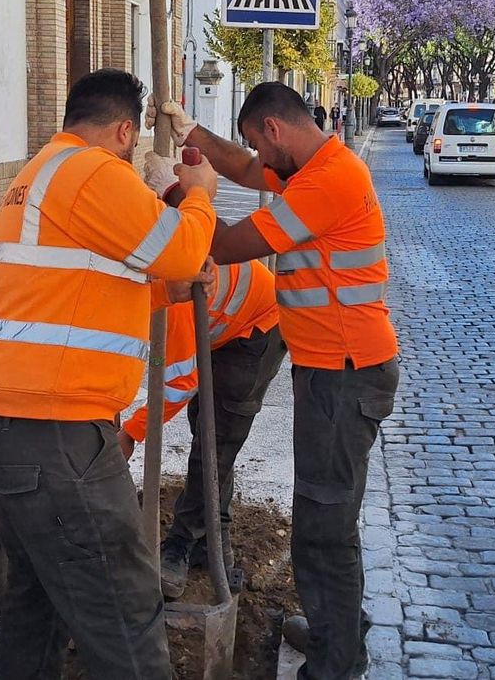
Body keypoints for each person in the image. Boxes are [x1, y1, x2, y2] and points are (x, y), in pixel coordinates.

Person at [0, 68, 218, 679]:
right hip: (56, 430)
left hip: (9, 421)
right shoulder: (94, 171)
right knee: (124, 608)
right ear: (125, 131)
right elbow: (182, 247)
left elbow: (79, 286)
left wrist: (166, 295)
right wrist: (202, 190)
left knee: (38, 597)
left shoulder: (42, 173)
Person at [149, 82, 398, 680]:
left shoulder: (327, 183)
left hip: (344, 377)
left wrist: (180, 194)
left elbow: (231, 244)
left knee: (323, 523)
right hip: (335, 372)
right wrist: (192, 135)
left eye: (258, 140)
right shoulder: (314, 163)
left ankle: (337, 661)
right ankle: (336, 627)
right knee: (328, 514)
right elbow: (246, 166)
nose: (257, 157)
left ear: (275, 130)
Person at [115, 258, 285, 598]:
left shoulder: (168, 298)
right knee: (206, 430)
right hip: (222, 327)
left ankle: (179, 545)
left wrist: (132, 431)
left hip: (258, 330)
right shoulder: (138, 282)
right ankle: (214, 542)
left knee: (213, 444)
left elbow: (179, 383)